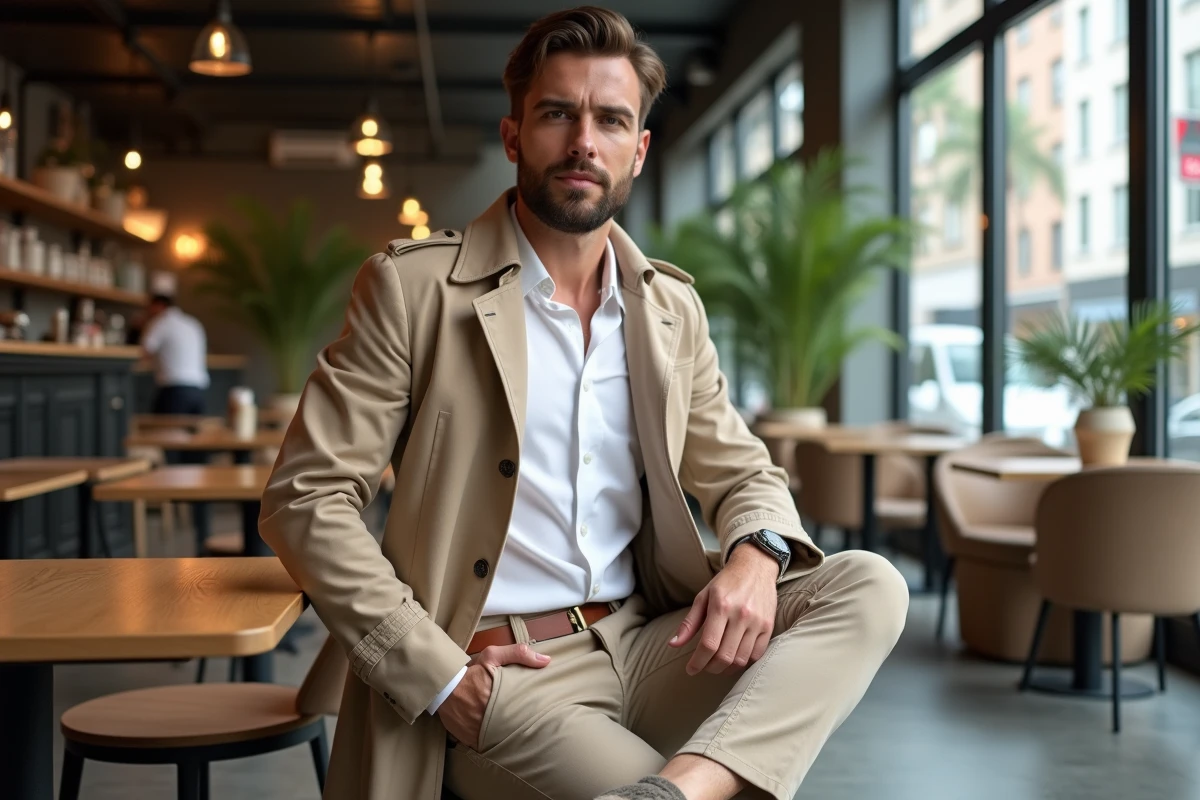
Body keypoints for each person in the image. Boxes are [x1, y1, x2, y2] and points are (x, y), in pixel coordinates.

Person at [259, 8, 908, 800]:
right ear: (513, 136)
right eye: (558, 114)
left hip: (650, 643)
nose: (582, 142)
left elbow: (743, 471)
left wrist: (754, 557)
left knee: (869, 584)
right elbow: (307, 499)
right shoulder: (414, 290)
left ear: (637, 150)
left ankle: (679, 792)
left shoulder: (668, 310)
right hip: (502, 672)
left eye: (610, 120)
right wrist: (439, 677)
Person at [141, 292, 212, 545]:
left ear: (158, 306)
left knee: (170, 453)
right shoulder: (193, 323)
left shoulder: (160, 322)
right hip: (198, 393)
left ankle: (172, 511)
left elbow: (144, 352)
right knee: (195, 458)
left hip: (174, 393)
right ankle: (196, 519)